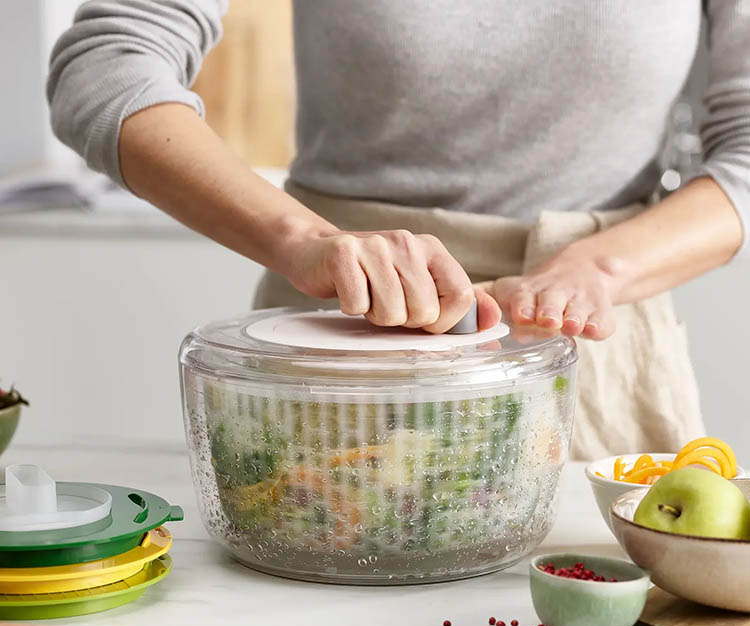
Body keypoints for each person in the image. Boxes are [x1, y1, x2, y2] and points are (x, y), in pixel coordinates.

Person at [47, 1, 749, 459]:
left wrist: (601, 271)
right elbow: (106, 66)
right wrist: (300, 240)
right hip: (342, 335)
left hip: (597, 346)